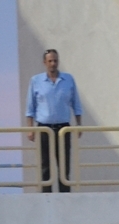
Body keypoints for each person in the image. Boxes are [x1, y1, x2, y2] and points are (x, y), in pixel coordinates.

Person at [24, 50, 81, 193]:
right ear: (45, 62)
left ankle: (65, 197)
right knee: (45, 166)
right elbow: (30, 107)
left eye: (55, 60)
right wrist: (30, 129)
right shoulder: (36, 81)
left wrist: (79, 125)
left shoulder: (68, 79)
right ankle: (46, 197)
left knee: (64, 166)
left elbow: (76, 104)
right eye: (50, 61)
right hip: (44, 129)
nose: (53, 64)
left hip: (63, 129)